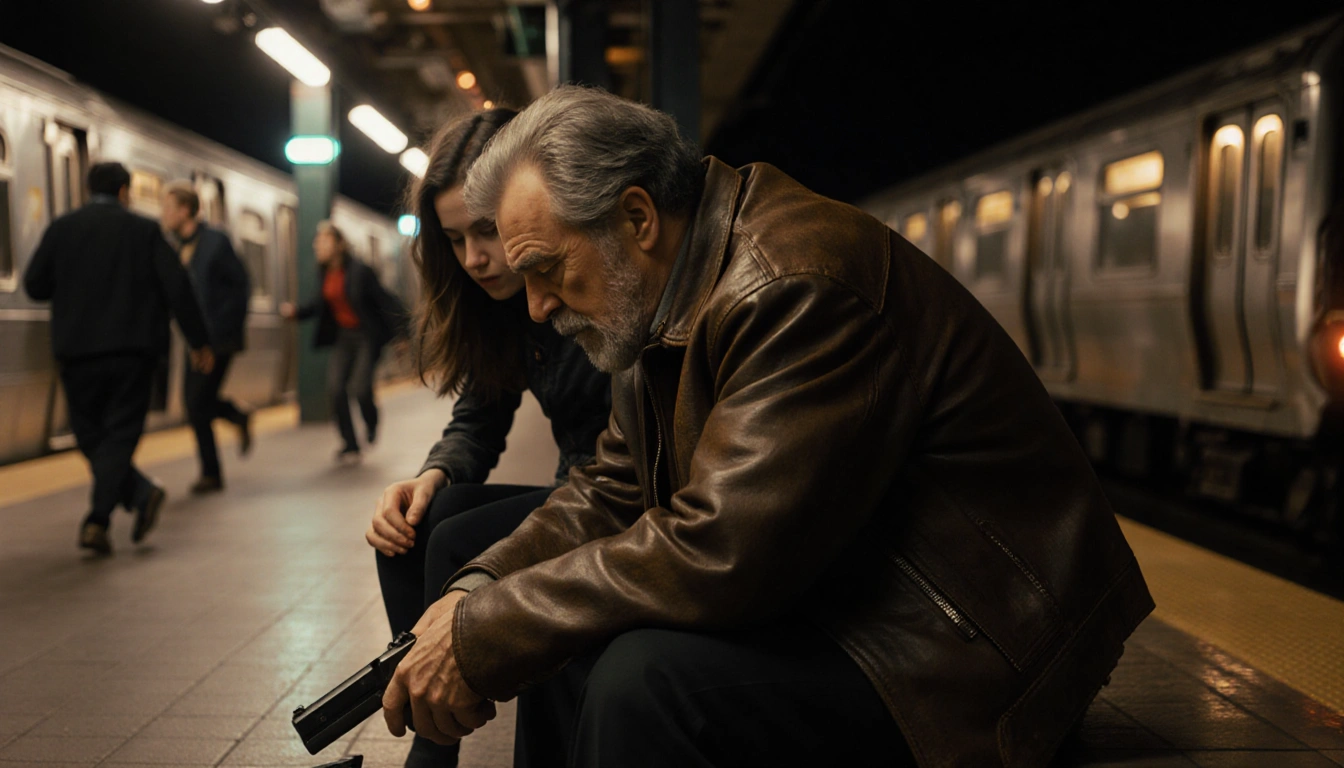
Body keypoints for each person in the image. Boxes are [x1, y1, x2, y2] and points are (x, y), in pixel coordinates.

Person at [380, 86, 1156, 768]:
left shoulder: (792, 286)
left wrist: (489, 630)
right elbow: (609, 488)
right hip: (852, 594)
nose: (536, 306)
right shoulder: (655, 298)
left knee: (643, 684)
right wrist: (480, 591)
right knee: (570, 647)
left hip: (970, 651)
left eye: (547, 269)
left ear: (636, 216)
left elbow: (723, 552)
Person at [364, 108, 612, 768]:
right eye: (453, 239)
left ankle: (435, 729)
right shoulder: (500, 308)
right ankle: (429, 713)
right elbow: (477, 419)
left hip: (612, 496)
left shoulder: (583, 282)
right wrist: (430, 476)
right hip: (579, 486)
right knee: (418, 523)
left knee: (452, 539)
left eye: (486, 231)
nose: (474, 259)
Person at [24, 162, 214, 555]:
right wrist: (199, 342)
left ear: (86, 188)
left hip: (77, 351)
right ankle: (122, 504)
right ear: (126, 192)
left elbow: (35, 285)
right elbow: (178, 288)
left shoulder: (63, 228)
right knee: (121, 433)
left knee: (88, 433)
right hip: (133, 352)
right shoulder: (145, 232)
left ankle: (109, 512)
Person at [280, 222, 408, 462]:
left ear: (339, 244)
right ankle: (350, 444)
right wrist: (296, 312)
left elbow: (385, 300)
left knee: (360, 388)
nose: (317, 245)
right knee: (336, 388)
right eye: (317, 241)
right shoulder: (324, 273)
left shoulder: (360, 271)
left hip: (366, 337)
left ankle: (371, 421)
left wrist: (401, 335)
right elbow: (319, 304)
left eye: (324, 241)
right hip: (343, 338)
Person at [161, 181, 254, 494]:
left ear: (185, 210)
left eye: (168, 207)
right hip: (196, 340)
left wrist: (215, 338)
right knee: (196, 402)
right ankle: (235, 414)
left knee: (196, 402)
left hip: (218, 339)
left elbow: (240, 287)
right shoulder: (177, 245)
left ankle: (211, 473)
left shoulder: (215, 241)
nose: (163, 214)